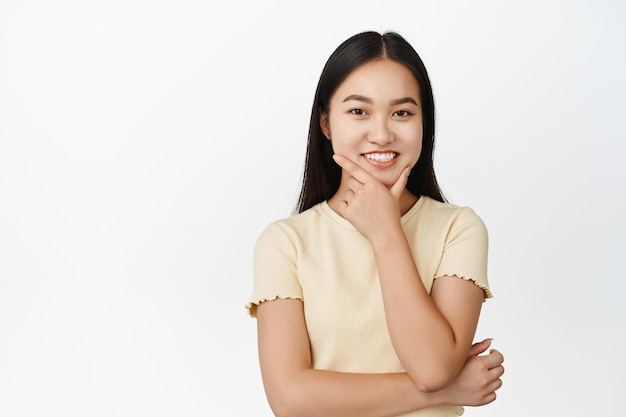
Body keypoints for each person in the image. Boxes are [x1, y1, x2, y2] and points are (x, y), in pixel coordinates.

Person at [246, 30, 504, 417]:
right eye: (358, 111)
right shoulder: (286, 243)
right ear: (326, 123)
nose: (382, 133)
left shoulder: (458, 229)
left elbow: (432, 367)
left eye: (402, 112)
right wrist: (444, 391)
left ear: (424, 122)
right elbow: (291, 399)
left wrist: (386, 233)